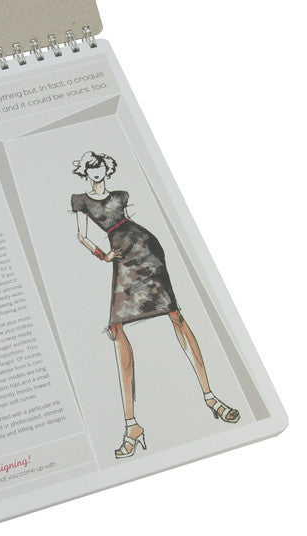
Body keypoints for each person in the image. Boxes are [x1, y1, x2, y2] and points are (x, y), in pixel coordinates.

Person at [70, 151, 240, 459]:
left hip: (146, 249)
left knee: (176, 316)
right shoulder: (81, 200)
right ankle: (132, 425)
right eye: (91, 168)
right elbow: (81, 236)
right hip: (121, 257)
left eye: (100, 167)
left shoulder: (121, 195)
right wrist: (103, 255)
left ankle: (211, 397)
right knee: (117, 328)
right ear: (85, 171)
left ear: (107, 169)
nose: (96, 172)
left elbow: (128, 221)